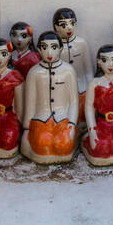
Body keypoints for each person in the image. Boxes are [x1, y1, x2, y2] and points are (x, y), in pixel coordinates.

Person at [20, 31, 79, 164]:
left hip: (63, 117)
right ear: (39, 49)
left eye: (53, 47)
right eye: (44, 47)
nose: (49, 52)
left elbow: (73, 101)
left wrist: (72, 124)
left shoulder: (68, 71)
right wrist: (26, 130)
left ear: (60, 48)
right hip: (40, 119)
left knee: (63, 144)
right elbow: (30, 102)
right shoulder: (34, 72)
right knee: (42, 144)